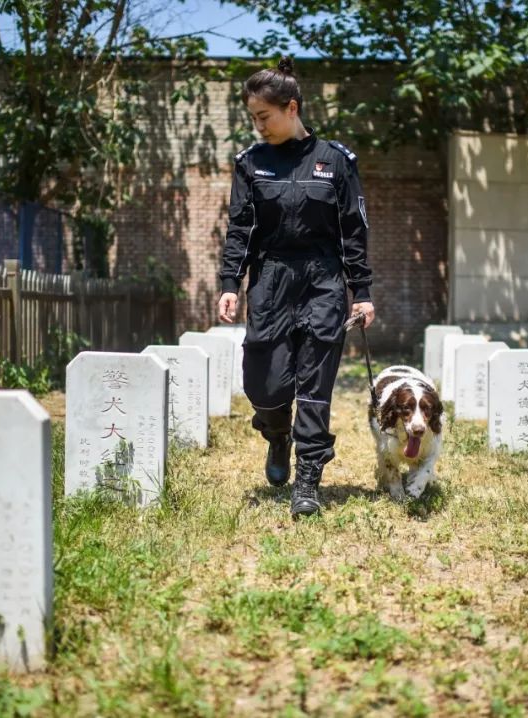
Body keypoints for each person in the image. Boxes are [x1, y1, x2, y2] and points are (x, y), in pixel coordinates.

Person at [217, 56, 375, 518]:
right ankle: (276, 433)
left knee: (315, 382)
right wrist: (231, 281)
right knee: (264, 384)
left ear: (291, 107)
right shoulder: (252, 163)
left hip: (323, 280)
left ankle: (308, 478)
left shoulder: (336, 162)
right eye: (252, 118)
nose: (258, 126)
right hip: (270, 279)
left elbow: (354, 231)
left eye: (263, 117)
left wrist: (361, 291)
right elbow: (240, 229)